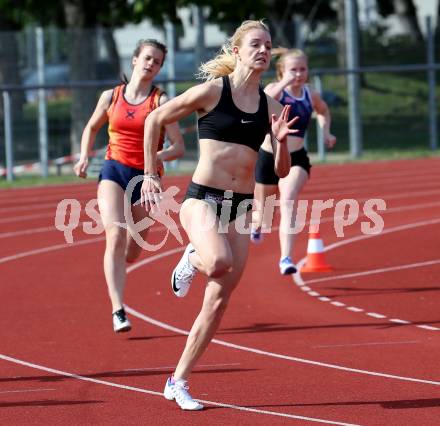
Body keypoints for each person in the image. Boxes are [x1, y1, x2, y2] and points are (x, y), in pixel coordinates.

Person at [141, 20, 298, 411]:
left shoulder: (273, 107)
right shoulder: (212, 92)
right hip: (203, 199)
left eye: (268, 45)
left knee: (217, 303)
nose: (263, 50)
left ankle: (177, 381)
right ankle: (192, 256)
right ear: (238, 50)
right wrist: (149, 173)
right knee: (218, 261)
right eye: (255, 45)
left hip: (240, 208)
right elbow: (154, 119)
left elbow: (280, 172)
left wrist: (278, 144)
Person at [73, 39, 184, 333]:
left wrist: (153, 157)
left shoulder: (161, 102)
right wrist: (85, 155)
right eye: (147, 58)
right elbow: (92, 127)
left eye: (157, 61)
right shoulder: (111, 97)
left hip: (147, 179)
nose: (151, 64)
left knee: (133, 251)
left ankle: (119, 266)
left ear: (160, 68)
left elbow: (179, 147)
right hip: (114, 169)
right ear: (134, 60)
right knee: (115, 233)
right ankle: (118, 310)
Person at [251, 48, 336, 274]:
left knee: (288, 199)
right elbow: (263, 101)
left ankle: (285, 258)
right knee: (264, 214)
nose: (298, 74)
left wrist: (326, 132)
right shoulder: (275, 90)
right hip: (268, 157)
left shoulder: (310, 94)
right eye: (293, 70)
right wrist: (284, 82)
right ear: (281, 71)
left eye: (302, 69)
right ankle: (257, 224)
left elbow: (324, 111)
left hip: (296, 157)